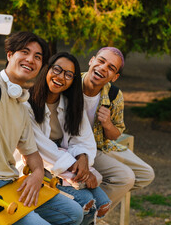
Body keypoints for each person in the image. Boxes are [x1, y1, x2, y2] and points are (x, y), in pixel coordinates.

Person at [0, 2, 83, 225]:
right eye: (25, 52)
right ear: (10, 54)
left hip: (11, 185)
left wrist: (37, 174)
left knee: (75, 213)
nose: (31, 59)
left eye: (38, 57)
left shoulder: (23, 105)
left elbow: (31, 154)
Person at [17, 52, 111, 224]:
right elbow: (40, 147)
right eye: (57, 70)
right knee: (85, 203)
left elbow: (83, 138)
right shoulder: (26, 104)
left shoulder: (70, 104)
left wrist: (83, 158)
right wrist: (75, 166)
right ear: (47, 69)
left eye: (68, 75)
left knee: (103, 203)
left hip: (67, 165)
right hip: (37, 167)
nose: (61, 77)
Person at [81, 47, 155, 210]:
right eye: (101, 61)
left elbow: (116, 134)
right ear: (92, 60)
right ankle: (90, 215)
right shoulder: (70, 85)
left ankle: (92, 209)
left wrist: (107, 123)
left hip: (103, 146)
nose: (103, 68)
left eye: (111, 68)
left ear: (115, 77)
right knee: (125, 178)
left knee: (146, 175)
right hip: (80, 150)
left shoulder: (114, 95)